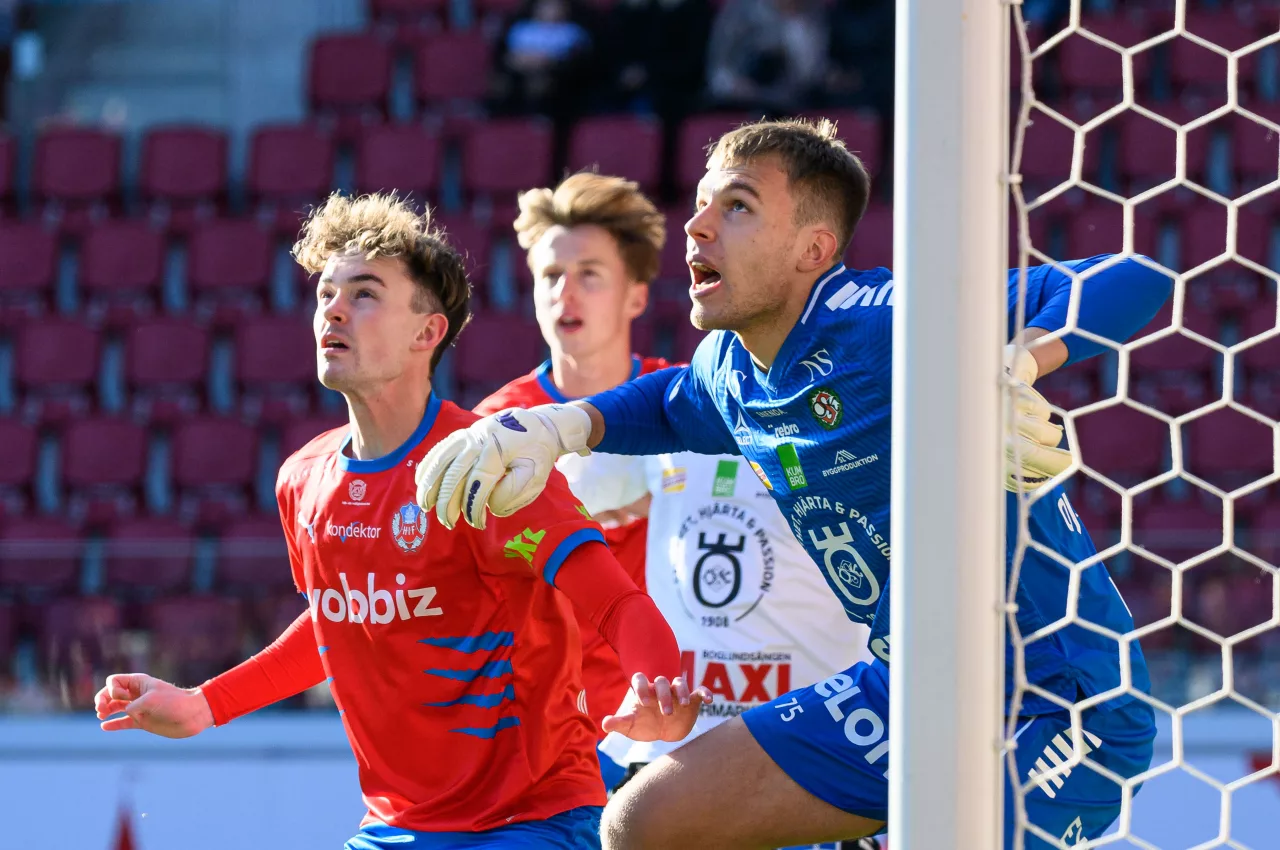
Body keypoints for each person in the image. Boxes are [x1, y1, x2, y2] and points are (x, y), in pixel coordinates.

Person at [414, 119, 1174, 848]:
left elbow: (1135, 275)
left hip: (1060, 700)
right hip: (905, 688)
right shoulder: (730, 368)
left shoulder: (886, 322)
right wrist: (557, 427)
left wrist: (1014, 366)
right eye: (702, 203)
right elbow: (671, 402)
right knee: (645, 822)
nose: (697, 226)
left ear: (814, 248)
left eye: (737, 206)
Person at [93, 192, 706, 850]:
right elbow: (338, 620)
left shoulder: (490, 464)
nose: (332, 308)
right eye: (325, 293)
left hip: (533, 821)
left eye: (364, 293)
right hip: (395, 827)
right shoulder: (302, 479)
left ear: (427, 333)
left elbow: (617, 601)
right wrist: (205, 704)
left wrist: (660, 691)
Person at [471, 172, 671, 790]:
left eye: (590, 274)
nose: (566, 293)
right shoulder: (494, 430)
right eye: (551, 276)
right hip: (544, 737)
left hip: (674, 725)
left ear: (636, 296)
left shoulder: (687, 406)